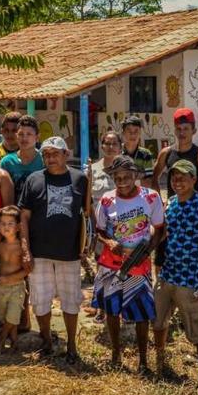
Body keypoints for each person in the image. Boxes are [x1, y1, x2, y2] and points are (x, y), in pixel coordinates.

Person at [19, 136, 89, 363]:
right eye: (46, 154)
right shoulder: (33, 180)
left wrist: (87, 244)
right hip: (39, 253)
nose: (50, 158)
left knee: (71, 300)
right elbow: (24, 217)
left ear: (65, 155)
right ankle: (47, 341)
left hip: (69, 253)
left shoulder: (80, 179)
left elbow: (87, 216)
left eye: (55, 154)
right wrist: (26, 250)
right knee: (40, 300)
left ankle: (71, 345)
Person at [93, 156, 164, 373]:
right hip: (110, 264)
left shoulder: (151, 198)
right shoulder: (106, 200)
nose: (122, 181)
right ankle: (116, 353)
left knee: (141, 313)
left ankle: (143, 360)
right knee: (112, 310)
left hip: (139, 266)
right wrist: (109, 241)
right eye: (117, 177)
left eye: (126, 176)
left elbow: (159, 229)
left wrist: (146, 251)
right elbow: (99, 230)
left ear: (135, 176)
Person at [153, 159, 198, 387]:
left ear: (194, 179)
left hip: (191, 279)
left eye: (183, 176)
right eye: (174, 176)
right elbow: (162, 238)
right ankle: (160, 362)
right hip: (168, 275)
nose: (177, 180)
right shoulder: (169, 204)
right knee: (159, 322)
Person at [151, 108, 198, 269]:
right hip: (171, 214)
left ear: (194, 130)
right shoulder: (166, 153)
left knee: (191, 259)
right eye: (179, 129)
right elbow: (154, 179)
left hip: (193, 217)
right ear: (174, 129)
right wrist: (161, 205)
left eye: (186, 128)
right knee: (162, 258)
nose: (182, 133)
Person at [86, 131, 122, 323]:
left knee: (121, 268)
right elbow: (88, 200)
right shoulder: (93, 168)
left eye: (114, 143)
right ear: (101, 146)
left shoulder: (125, 168)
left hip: (122, 228)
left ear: (120, 146)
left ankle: (118, 306)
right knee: (102, 267)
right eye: (106, 143)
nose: (110, 147)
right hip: (100, 228)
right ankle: (102, 307)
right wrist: (91, 228)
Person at [0, 205, 31, 353]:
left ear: (19, 227)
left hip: (17, 286)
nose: (6, 227)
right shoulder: (0, 245)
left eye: (10, 224)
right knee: (6, 316)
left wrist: (11, 278)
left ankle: (0, 340)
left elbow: (28, 269)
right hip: (1, 288)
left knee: (13, 317)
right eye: (2, 223)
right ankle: (14, 342)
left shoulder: (21, 246)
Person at [0, 114, 44, 199]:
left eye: (29, 134)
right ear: (16, 136)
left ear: (37, 137)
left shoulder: (44, 160)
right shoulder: (7, 162)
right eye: (21, 134)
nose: (24, 138)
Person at [120, 115, 156, 188]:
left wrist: (126, 180)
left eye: (136, 131)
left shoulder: (146, 154)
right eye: (129, 130)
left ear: (140, 133)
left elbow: (148, 182)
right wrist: (139, 177)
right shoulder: (117, 152)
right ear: (123, 133)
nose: (133, 134)